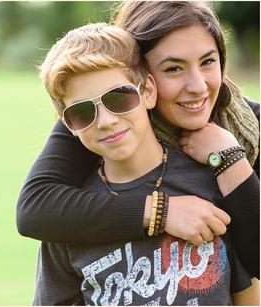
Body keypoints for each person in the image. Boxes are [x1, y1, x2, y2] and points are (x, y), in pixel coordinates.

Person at [16, 1, 260, 281]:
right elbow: (35, 208)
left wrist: (229, 157)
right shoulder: (101, 117)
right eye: (173, 69)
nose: (197, 87)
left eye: (208, 62)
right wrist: (161, 212)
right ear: (141, 76)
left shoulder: (251, 125)